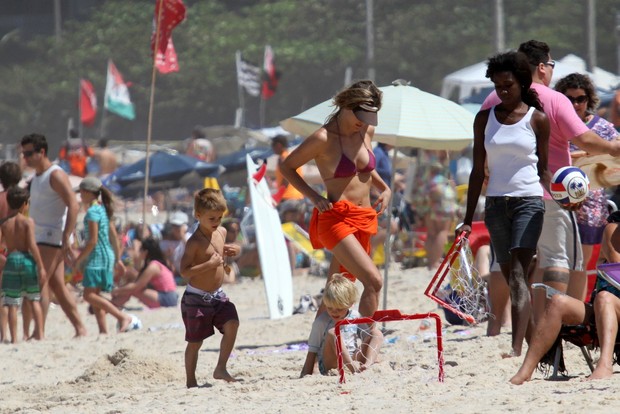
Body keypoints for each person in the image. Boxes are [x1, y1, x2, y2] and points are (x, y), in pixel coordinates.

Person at [481, 40, 620, 325]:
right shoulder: (553, 98)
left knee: (503, 262)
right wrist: (613, 148)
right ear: (542, 67)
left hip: (501, 194)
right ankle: (549, 324)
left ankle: (498, 326)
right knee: (556, 259)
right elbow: (583, 138)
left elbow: (482, 141)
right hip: (548, 191)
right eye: (552, 65)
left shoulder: (495, 97)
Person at [458, 51, 550, 357]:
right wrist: (468, 219)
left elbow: (544, 171)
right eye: (497, 86)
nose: (503, 90)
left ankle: (514, 348)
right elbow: (476, 170)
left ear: (522, 82)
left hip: (529, 202)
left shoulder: (538, 119)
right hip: (496, 204)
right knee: (514, 279)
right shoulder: (484, 118)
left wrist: (564, 200)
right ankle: (541, 347)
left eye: (508, 84)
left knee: (518, 275)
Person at [280, 79, 391, 318]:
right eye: (362, 117)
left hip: (363, 217)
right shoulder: (323, 138)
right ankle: (365, 347)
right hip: (337, 219)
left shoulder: (365, 130)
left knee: (338, 290)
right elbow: (287, 167)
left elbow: (365, 166)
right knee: (373, 281)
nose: (365, 123)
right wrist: (312, 196)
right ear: (349, 107)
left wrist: (385, 187)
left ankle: (316, 350)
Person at [510, 210, 620, 384]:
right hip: (603, 308)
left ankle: (604, 365)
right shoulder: (614, 228)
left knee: (604, 297)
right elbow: (616, 266)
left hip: (608, 302)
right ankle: (525, 371)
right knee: (558, 302)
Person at [554, 73, 619, 301]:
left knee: (580, 261)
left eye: (580, 99)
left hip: (591, 202)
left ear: (588, 99)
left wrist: (586, 154)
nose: (575, 104)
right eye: (569, 99)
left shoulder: (601, 127)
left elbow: (617, 146)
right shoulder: (553, 125)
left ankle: (574, 312)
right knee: (557, 260)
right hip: (556, 200)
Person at [21, 133, 87, 338]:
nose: (26, 158)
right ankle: (80, 328)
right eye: (24, 154)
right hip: (42, 236)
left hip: (51, 237)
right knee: (57, 286)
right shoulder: (38, 177)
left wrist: (66, 236)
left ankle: (36, 332)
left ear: (42, 152)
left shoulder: (55, 174)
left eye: (30, 153)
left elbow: (73, 204)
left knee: (35, 284)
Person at [180, 188, 241, 387]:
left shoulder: (221, 232)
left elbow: (216, 248)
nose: (216, 222)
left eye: (219, 217)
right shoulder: (194, 242)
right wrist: (208, 265)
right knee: (196, 342)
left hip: (217, 295)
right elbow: (184, 271)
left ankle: (220, 368)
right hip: (196, 298)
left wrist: (234, 249)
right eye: (211, 218)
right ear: (198, 216)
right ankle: (190, 380)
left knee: (232, 323)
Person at [72, 176, 136, 334]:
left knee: (88, 296)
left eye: (80, 192)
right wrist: (117, 258)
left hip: (97, 256)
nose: (79, 196)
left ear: (87, 192)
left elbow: (92, 241)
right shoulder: (102, 209)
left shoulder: (93, 212)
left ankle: (122, 317)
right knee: (96, 296)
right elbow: (113, 236)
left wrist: (78, 260)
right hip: (106, 255)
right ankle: (103, 331)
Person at [300, 273, 382, 377]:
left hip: (353, 357)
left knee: (376, 333)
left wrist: (369, 353)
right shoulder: (321, 321)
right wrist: (305, 373)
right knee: (333, 332)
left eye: (339, 309)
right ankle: (354, 370)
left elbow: (367, 337)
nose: (334, 312)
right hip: (332, 362)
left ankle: (368, 365)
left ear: (350, 304)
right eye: (329, 308)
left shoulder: (355, 316)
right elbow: (312, 351)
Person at [0, 187, 47, 343]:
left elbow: (1, 245)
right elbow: (32, 245)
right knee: (33, 298)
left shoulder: (5, 223)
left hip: (11, 259)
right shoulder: (27, 222)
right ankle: (40, 334)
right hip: (26, 259)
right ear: (24, 204)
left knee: (12, 302)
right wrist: (40, 266)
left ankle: (13, 338)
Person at [409, 150, 460, 269]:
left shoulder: (424, 154)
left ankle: (431, 261)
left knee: (431, 233)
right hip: (441, 195)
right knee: (442, 231)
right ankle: (435, 261)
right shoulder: (442, 152)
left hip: (426, 195)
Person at [112, 237, 179, 309]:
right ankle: (114, 303)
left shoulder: (153, 266)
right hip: (169, 296)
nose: (138, 252)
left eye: (140, 250)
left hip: (166, 298)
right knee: (131, 285)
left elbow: (136, 286)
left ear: (145, 252)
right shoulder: (156, 264)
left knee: (132, 289)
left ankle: (112, 304)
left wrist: (116, 290)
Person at [0, 161, 22, 342]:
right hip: (16, 250)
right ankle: (17, 336)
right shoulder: (23, 202)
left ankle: (3, 334)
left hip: (1, 249)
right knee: (12, 295)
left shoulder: (0, 199)